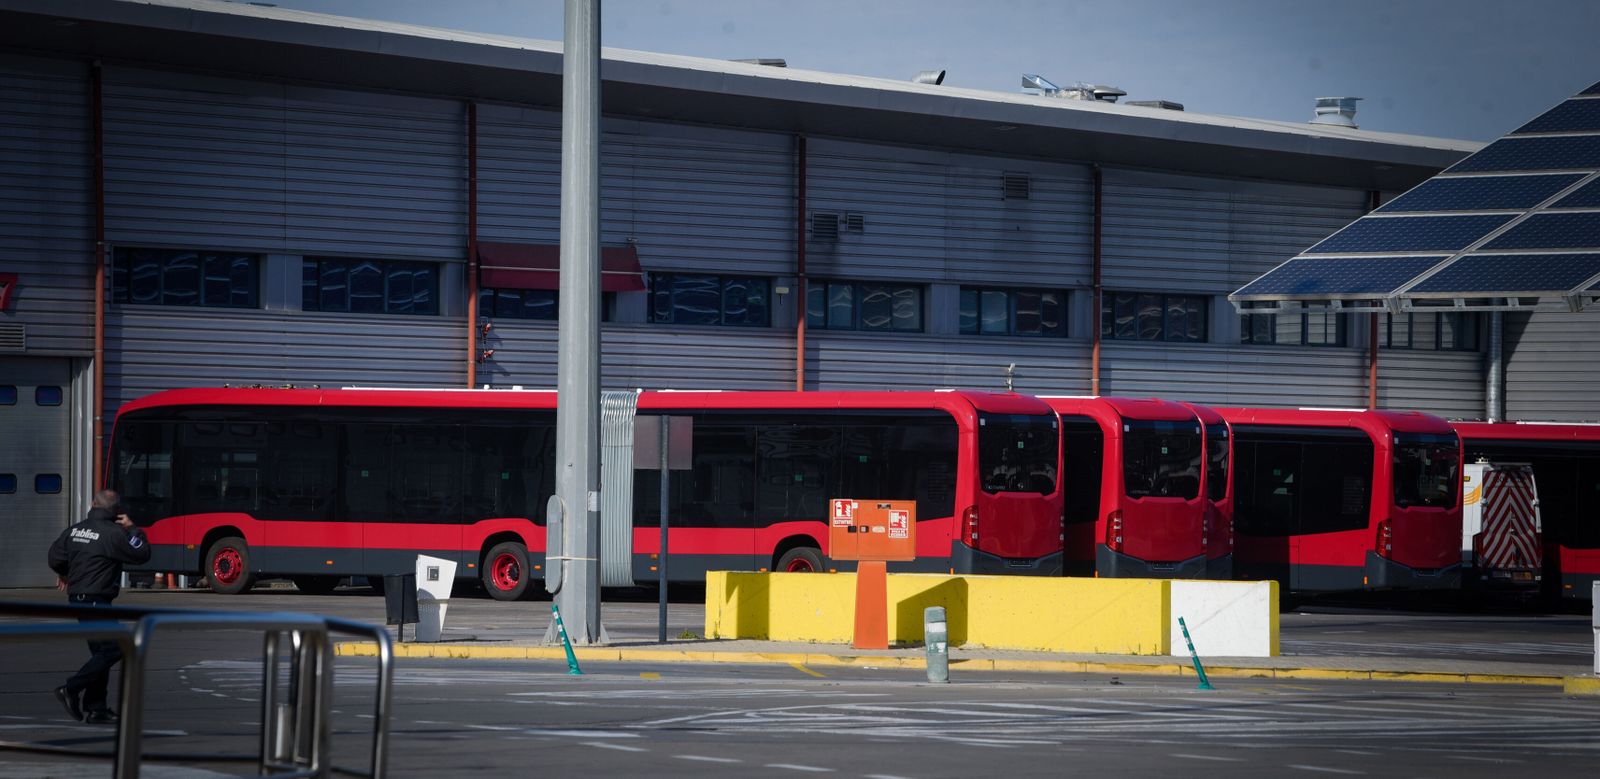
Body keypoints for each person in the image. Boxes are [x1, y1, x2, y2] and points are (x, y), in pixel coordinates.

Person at [46, 489, 151, 725]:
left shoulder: (75, 530)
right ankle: (71, 689)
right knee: (116, 648)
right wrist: (132, 528)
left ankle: (96, 708)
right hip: (96, 601)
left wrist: (65, 573)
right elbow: (142, 553)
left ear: (93, 504)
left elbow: (54, 557)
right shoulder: (114, 533)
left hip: (77, 600)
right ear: (116, 512)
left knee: (101, 654)